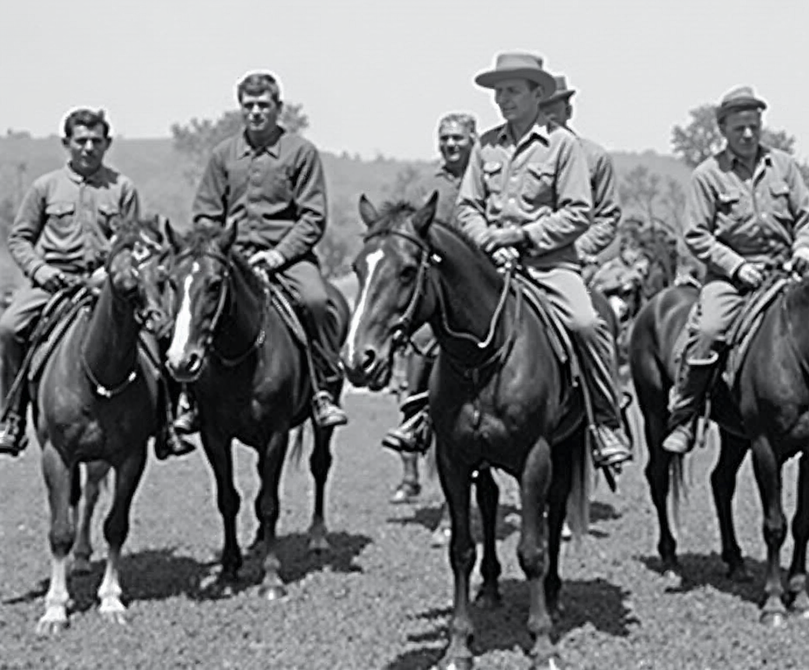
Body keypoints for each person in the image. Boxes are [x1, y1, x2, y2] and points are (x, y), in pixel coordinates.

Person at [457, 51, 633, 470]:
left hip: (549, 265)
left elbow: (578, 212)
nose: (502, 99)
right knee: (438, 319)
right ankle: (424, 416)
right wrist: (488, 241)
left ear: (537, 94)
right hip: (491, 265)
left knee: (586, 324)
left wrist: (523, 236)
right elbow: (467, 208)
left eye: (512, 91)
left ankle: (605, 422)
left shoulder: (563, 146)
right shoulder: (485, 146)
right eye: (498, 92)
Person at [0, 108, 192, 458]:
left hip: (108, 283)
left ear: (107, 143)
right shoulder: (45, 187)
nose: (88, 147)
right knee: (10, 327)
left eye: (96, 141)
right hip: (54, 282)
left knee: (159, 332)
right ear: (66, 144)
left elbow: (133, 242)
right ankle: (11, 417)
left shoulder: (122, 189)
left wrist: (112, 272)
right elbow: (20, 238)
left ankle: (167, 423)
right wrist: (41, 272)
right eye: (81, 141)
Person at [179, 71, 347, 432]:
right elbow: (206, 213)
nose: (255, 112)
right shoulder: (223, 154)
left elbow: (313, 217)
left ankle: (323, 389)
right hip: (232, 257)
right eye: (249, 105)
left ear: (278, 108)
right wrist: (218, 249)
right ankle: (189, 398)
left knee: (316, 301)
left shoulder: (301, 152)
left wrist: (278, 255)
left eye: (263, 105)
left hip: (288, 257)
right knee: (191, 302)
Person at [662, 85, 809, 454]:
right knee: (708, 329)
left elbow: (807, 216)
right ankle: (686, 414)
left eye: (754, 126)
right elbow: (696, 235)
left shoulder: (783, 166)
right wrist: (736, 267)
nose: (748, 134)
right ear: (723, 130)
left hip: (787, 271)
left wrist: (804, 246)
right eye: (739, 128)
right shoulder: (708, 175)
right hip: (731, 278)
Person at [386, 113, 477, 503]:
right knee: (419, 347)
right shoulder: (426, 185)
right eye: (444, 138)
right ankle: (413, 426)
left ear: (474, 139)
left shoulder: (488, 178)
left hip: (479, 285)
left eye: (458, 138)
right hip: (436, 288)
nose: (450, 144)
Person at [538, 74, 622, 270]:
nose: (546, 119)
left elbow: (608, 217)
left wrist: (579, 248)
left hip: (575, 261)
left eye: (552, 112)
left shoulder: (594, 158)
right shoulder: (516, 157)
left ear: (568, 111)